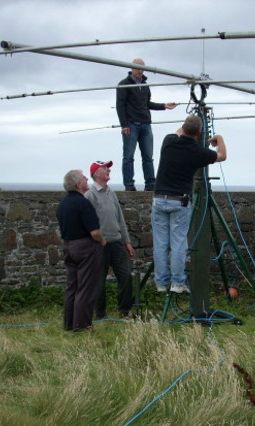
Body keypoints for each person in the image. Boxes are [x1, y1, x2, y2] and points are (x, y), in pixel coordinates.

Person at [152, 115, 227, 293]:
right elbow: (222, 156)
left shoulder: (169, 141)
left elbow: (179, 131)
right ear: (199, 133)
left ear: (184, 127)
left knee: (160, 244)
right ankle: (177, 283)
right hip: (179, 201)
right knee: (178, 244)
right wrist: (219, 138)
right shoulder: (198, 152)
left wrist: (191, 123)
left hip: (159, 199)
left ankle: (161, 283)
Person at [116, 58, 177, 192]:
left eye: (142, 67)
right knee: (128, 156)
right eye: (137, 67)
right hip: (131, 125)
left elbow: (147, 104)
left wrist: (164, 106)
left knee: (148, 157)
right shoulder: (123, 84)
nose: (140, 70)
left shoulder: (145, 85)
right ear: (131, 68)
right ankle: (129, 184)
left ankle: (150, 184)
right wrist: (124, 125)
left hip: (145, 124)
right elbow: (120, 106)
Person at [84, 160, 136, 318]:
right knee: (99, 281)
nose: (108, 170)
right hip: (99, 245)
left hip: (117, 243)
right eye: (105, 168)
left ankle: (124, 311)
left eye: (108, 168)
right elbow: (87, 223)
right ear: (96, 173)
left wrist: (127, 242)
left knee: (126, 276)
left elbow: (120, 219)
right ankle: (100, 314)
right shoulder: (89, 195)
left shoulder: (111, 192)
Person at [57, 169, 106, 332]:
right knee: (85, 287)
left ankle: (69, 323)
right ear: (79, 184)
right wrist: (102, 240)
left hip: (68, 246)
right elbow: (95, 232)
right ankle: (82, 325)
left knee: (72, 286)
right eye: (85, 178)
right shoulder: (83, 203)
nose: (87, 179)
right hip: (85, 248)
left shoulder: (62, 204)